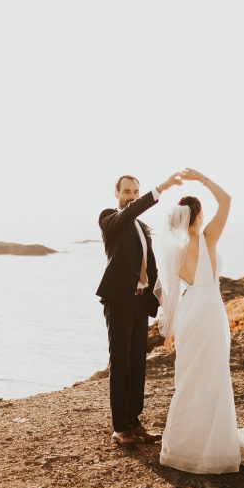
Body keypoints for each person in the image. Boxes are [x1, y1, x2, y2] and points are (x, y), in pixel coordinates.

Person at [154, 167, 244, 473]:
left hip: (189, 315)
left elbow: (171, 296)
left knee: (189, 380)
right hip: (209, 313)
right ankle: (212, 447)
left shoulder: (175, 251)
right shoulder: (206, 239)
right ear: (198, 215)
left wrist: (169, 333)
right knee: (213, 378)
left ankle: (182, 447)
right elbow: (226, 200)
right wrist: (203, 179)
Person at [96, 172, 183, 446]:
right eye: (127, 191)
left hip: (139, 300)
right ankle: (120, 428)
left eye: (135, 191)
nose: (131, 196)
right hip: (118, 301)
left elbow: (151, 264)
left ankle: (135, 423)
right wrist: (161, 188)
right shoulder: (109, 219)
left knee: (137, 364)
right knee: (121, 363)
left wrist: (159, 300)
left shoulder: (142, 227)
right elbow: (128, 213)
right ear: (117, 193)